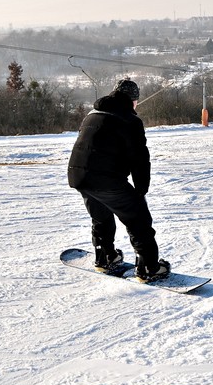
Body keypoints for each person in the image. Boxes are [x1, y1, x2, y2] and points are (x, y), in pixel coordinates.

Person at [68, 79, 170, 282]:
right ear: (133, 100)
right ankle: (149, 268)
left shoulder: (92, 114)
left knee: (101, 216)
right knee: (138, 219)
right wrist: (140, 190)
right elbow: (139, 158)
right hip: (105, 179)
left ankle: (106, 257)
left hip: (79, 176)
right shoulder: (129, 120)